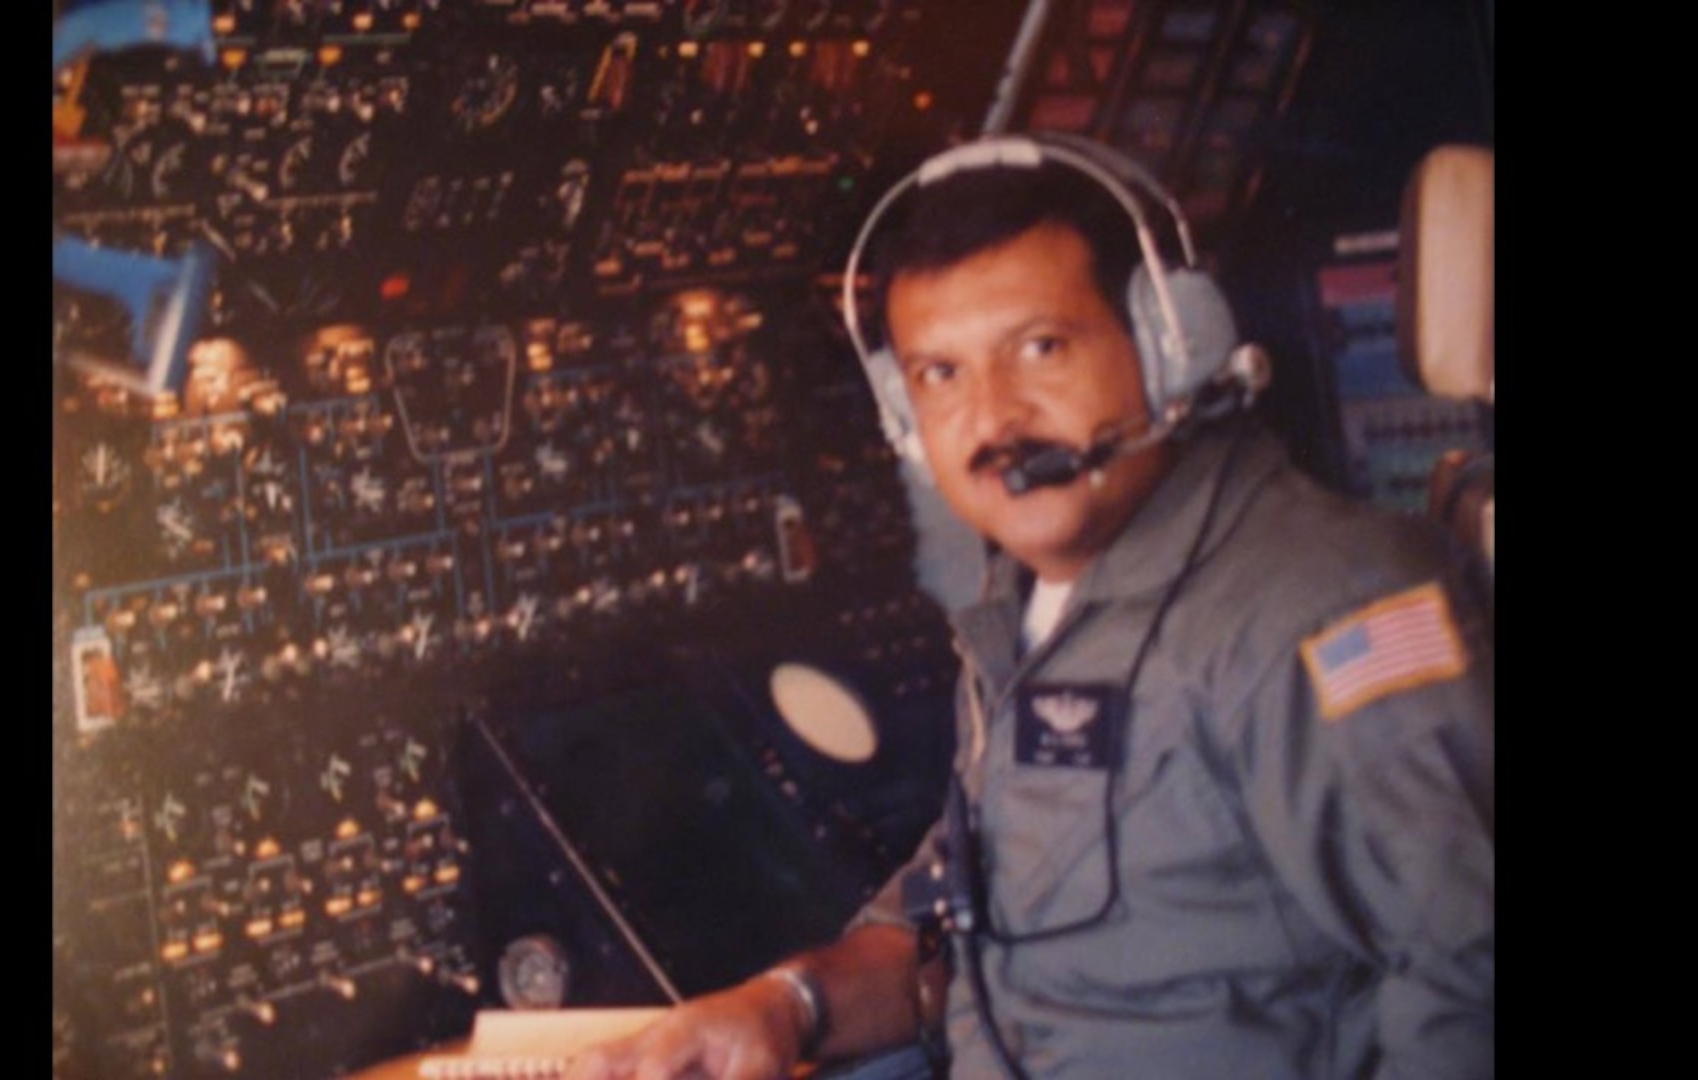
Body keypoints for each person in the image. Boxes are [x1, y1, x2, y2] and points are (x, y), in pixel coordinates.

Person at [564, 136, 1493, 1080]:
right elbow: (971, 926)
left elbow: (1473, 980)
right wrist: (784, 1005)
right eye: (941, 376)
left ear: (1171, 345)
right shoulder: (1037, 614)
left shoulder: (1318, 605)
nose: (994, 419)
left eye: (1040, 348)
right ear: (901, 413)